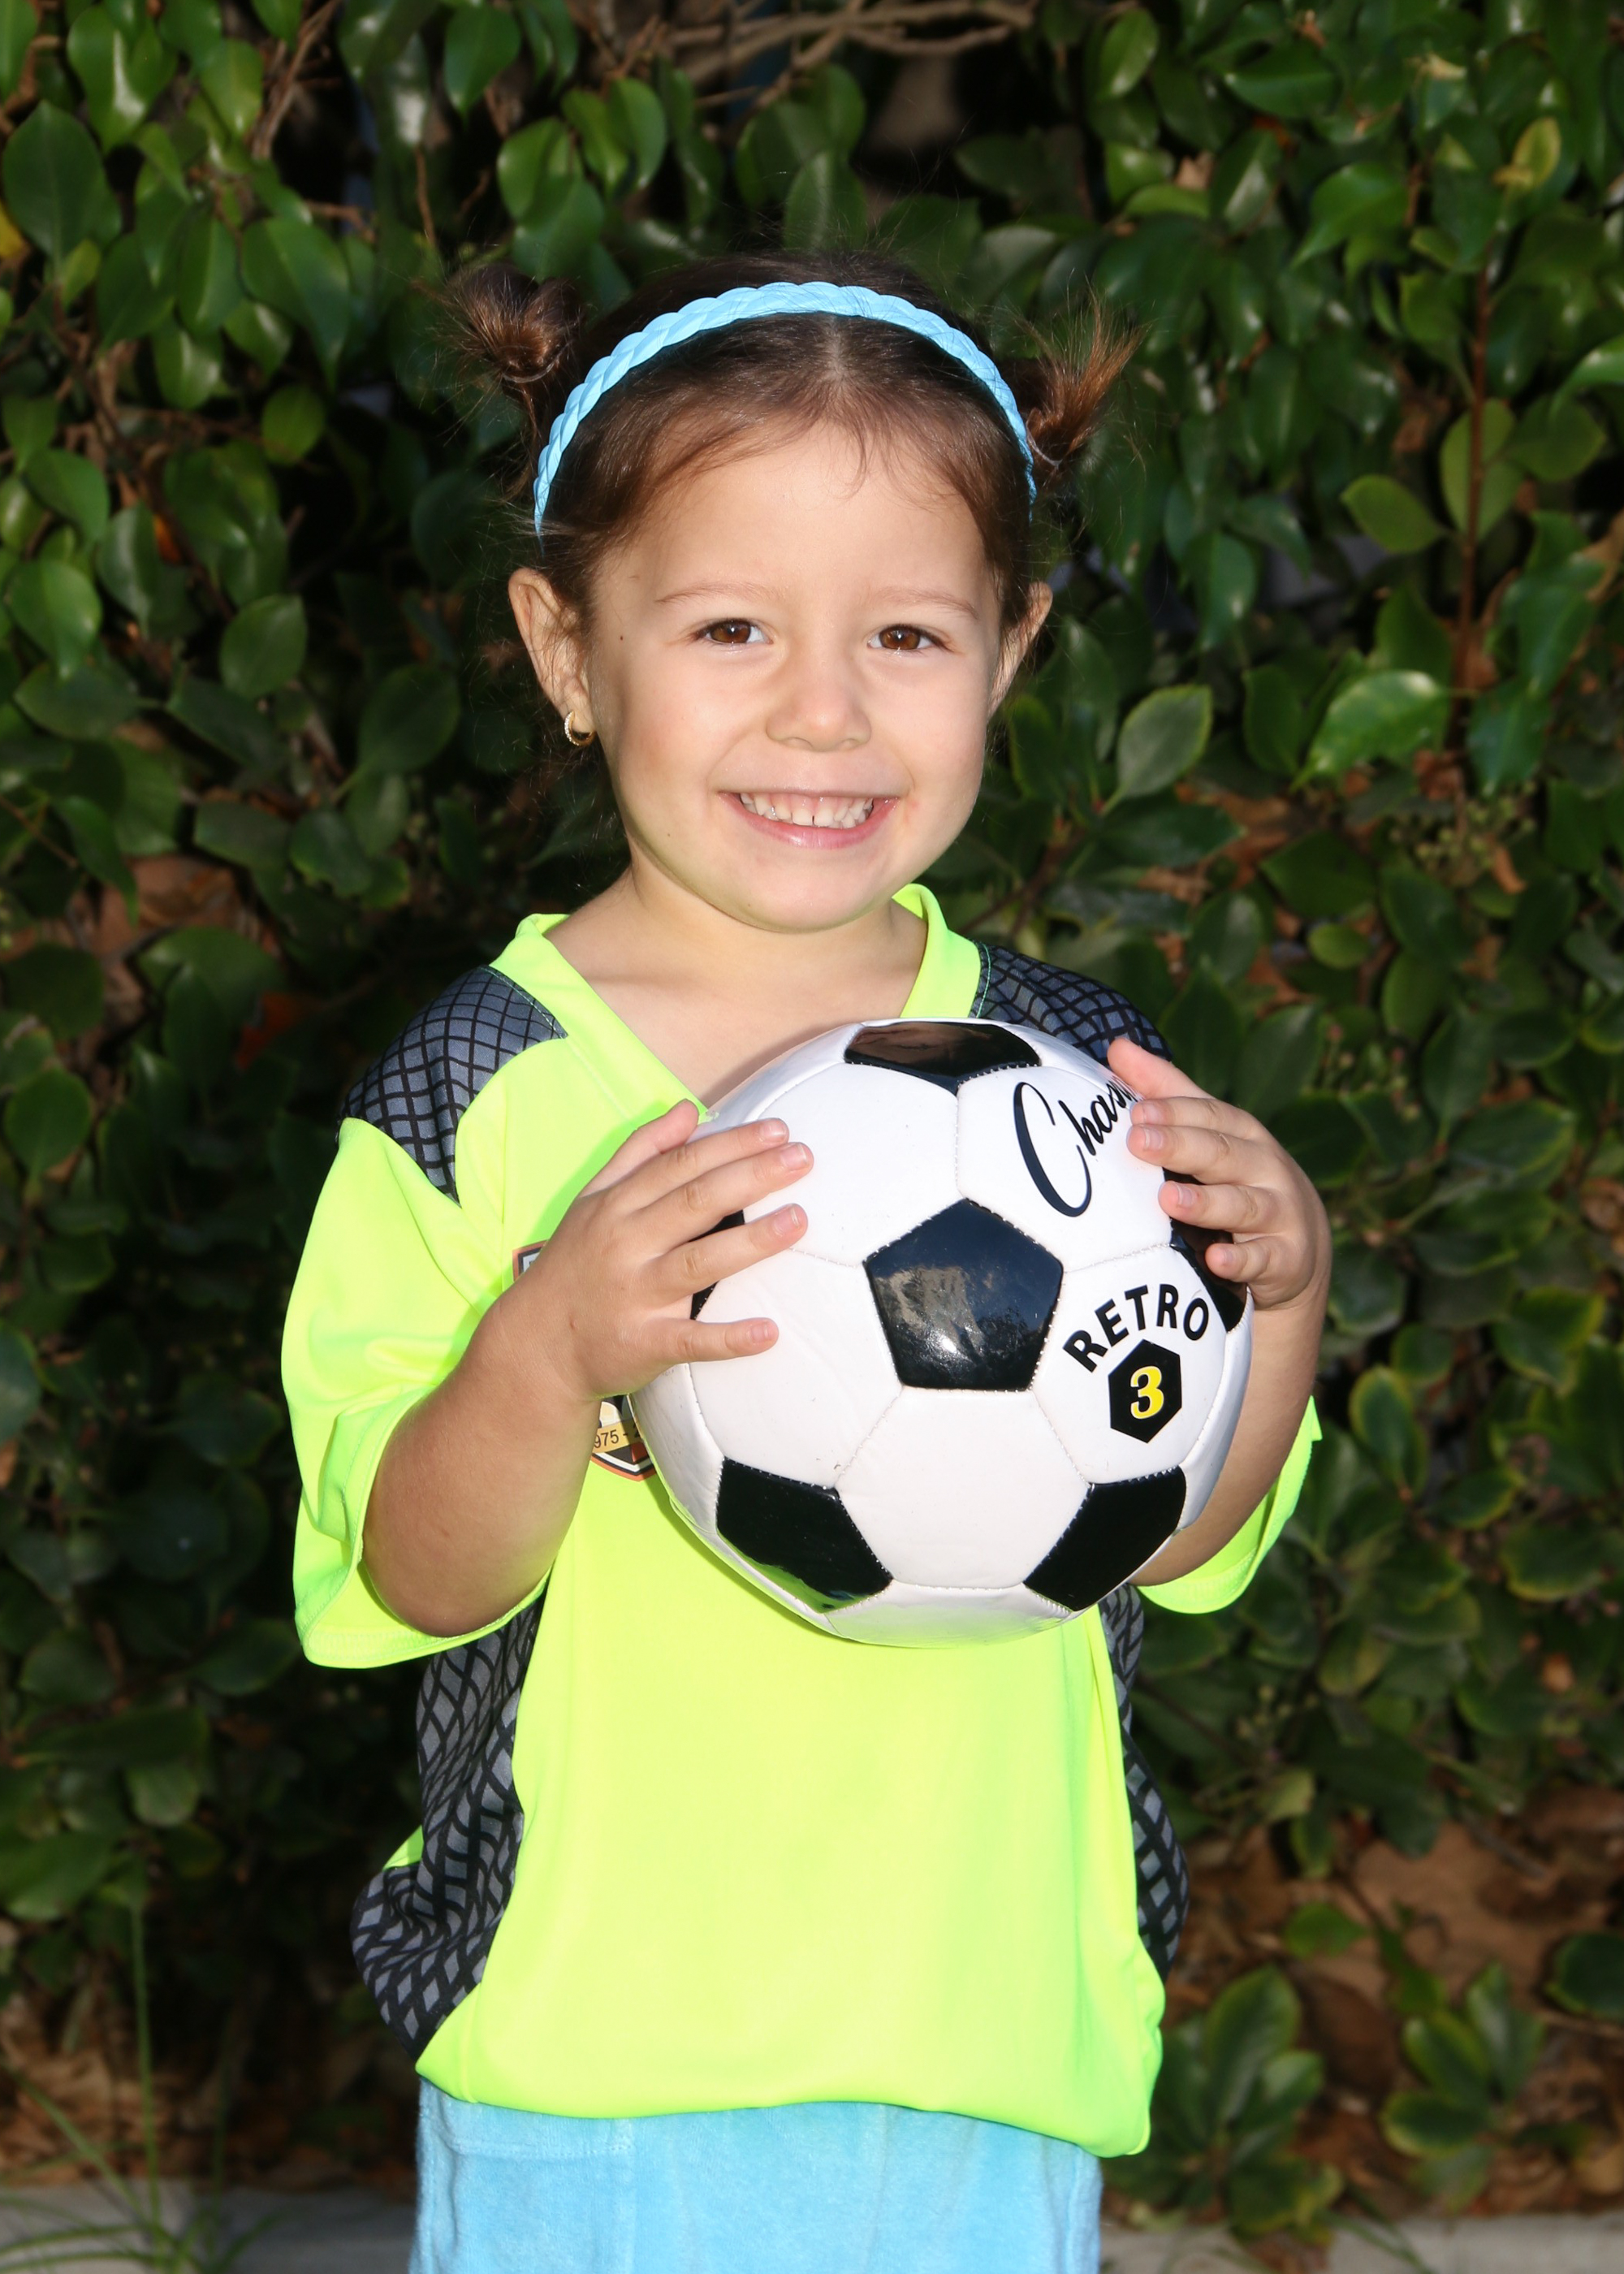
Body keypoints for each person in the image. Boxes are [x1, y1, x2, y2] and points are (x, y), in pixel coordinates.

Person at [283, 249, 1330, 2274]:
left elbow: (1184, 1530)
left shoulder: (1084, 1086)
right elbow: (408, 1574)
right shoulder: (469, 1092)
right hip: (604, 2056)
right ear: (565, 647)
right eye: (731, 625)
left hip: (984, 2036)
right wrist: (545, 1352)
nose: (824, 709)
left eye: (908, 632)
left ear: (1011, 652)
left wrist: (1276, 1296)